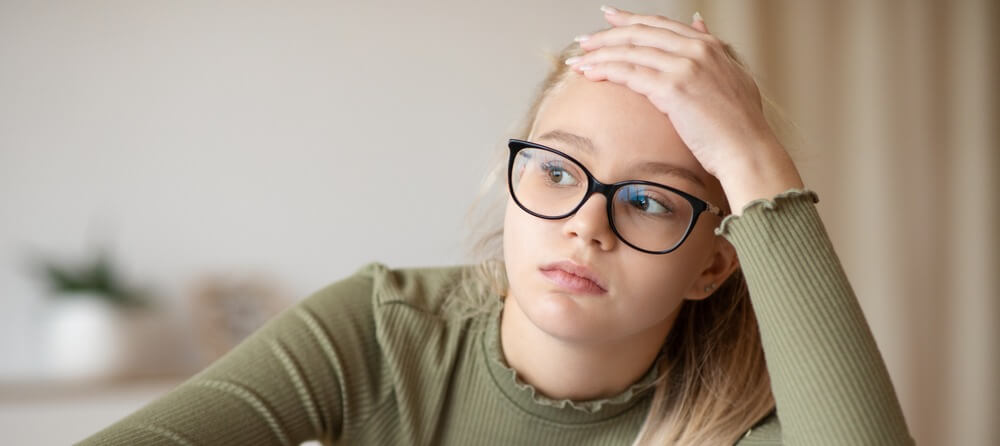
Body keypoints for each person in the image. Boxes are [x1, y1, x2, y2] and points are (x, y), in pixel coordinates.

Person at [79, 6, 915, 445]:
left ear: (711, 266)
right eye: (557, 169)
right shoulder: (378, 332)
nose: (587, 225)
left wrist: (756, 160)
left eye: (650, 199)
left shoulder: (740, 420)